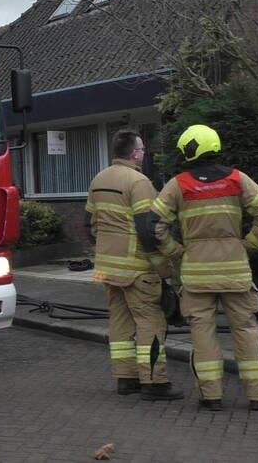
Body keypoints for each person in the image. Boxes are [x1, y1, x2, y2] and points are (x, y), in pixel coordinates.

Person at [150, 124, 258, 412]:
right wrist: (249, 245)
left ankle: (211, 397)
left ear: (189, 149)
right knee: (246, 330)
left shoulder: (178, 184)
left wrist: (176, 251)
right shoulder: (237, 179)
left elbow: (152, 224)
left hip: (197, 275)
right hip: (235, 272)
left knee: (202, 335)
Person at [86, 129, 184, 401]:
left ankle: (126, 379)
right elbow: (147, 228)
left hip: (107, 267)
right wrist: (164, 267)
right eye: (142, 148)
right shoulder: (139, 182)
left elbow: (91, 224)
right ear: (135, 153)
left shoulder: (98, 179)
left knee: (119, 322)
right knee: (150, 321)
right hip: (136, 268)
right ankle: (154, 382)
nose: (144, 152)